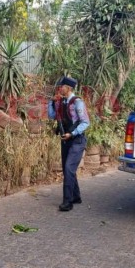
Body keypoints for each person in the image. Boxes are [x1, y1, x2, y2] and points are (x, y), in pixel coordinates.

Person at [48, 76, 90, 211]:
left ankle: (68, 202)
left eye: (62, 87)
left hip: (76, 140)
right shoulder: (61, 102)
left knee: (68, 168)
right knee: (69, 170)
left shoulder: (77, 102)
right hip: (65, 140)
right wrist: (51, 103)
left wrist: (72, 133)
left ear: (69, 88)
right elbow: (51, 115)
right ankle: (76, 196)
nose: (60, 88)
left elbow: (85, 122)